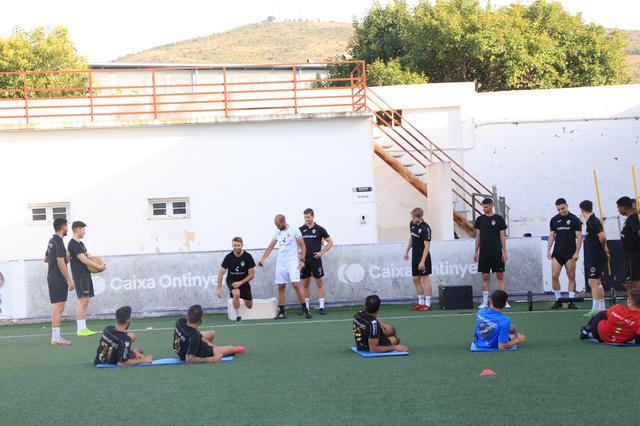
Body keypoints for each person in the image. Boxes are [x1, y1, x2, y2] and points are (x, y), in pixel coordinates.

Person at [257, 214, 310, 319]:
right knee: (281, 286)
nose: (277, 227)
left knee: (296, 284)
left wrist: (302, 260)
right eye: (276, 225)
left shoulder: (294, 230)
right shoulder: (277, 232)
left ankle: (305, 309)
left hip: (292, 261)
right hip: (281, 262)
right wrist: (262, 259)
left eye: (279, 225)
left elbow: (303, 245)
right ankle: (282, 311)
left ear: (283, 222)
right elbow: (270, 246)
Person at [68, 221, 106, 336]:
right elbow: (83, 260)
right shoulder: (73, 244)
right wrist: (98, 266)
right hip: (79, 275)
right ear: (77, 229)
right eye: (83, 229)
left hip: (86, 274)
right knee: (82, 300)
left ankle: (84, 327)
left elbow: (89, 257)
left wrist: (101, 264)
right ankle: (80, 329)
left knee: (86, 300)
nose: (85, 231)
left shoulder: (81, 244)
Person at [173, 304, 243, 363]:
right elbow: (189, 359)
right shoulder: (193, 337)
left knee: (211, 333)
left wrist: (211, 345)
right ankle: (208, 352)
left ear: (187, 316)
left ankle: (210, 349)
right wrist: (211, 359)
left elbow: (197, 336)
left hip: (181, 348)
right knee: (231, 349)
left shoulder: (180, 321)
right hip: (188, 354)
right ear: (201, 319)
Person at [473, 198, 509, 309]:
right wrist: (476, 252)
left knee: (500, 275)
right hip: (484, 253)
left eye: (486, 207)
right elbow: (478, 236)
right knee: (485, 276)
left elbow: (502, 236)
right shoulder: (479, 220)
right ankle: (484, 302)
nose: (484, 209)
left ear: (491, 205)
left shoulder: (499, 219)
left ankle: (504, 302)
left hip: (497, 252)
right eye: (483, 207)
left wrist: (504, 251)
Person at [547, 198, 583, 309]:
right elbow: (552, 235)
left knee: (571, 277)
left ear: (567, 206)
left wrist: (577, 252)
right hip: (557, 253)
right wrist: (548, 250)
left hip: (570, 253)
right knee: (554, 276)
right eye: (559, 209)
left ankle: (571, 301)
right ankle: (558, 300)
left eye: (563, 208)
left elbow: (579, 237)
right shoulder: (554, 220)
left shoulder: (575, 219)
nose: (561, 211)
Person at [44, 218, 74, 346]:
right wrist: (69, 280)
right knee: (59, 307)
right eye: (67, 225)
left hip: (52, 277)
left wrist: (66, 257)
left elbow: (45, 259)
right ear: (63, 227)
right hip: (58, 278)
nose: (68, 228)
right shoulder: (59, 243)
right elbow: (60, 262)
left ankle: (56, 337)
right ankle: (55, 338)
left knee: (58, 307)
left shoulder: (52, 241)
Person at [299, 208, 333, 315]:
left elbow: (330, 242)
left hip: (315, 260)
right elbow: (296, 244)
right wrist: (299, 255)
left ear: (313, 216)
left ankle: (322, 307)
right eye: (305, 217)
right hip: (304, 260)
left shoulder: (320, 229)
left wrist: (321, 252)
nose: (306, 219)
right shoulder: (300, 229)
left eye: (308, 217)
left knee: (319, 282)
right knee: (305, 283)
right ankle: (306, 308)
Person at [579, 200, 610, 317]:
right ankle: (601, 309)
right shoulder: (593, 220)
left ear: (582, 210)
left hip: (596, 255)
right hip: (596, 255)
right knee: (597, 282)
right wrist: (605, 249)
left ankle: (595, 310)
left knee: (592, 282)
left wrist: (604, 248)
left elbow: (602, 236)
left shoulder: (592, 221)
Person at [216, 237, 255, 322]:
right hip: (232, 280)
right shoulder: (228, 257)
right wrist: (218, 288)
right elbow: (221, 272)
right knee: (236, 293)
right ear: (232, 246)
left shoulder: (248, 257)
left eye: (238, 245)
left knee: (249, 306)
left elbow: (251, 275)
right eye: (234, 245)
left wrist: (240, 283)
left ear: (242, 245)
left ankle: (243, 298)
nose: (236, 247)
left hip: (243, 281)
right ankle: (238, 315)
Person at [403, 207, 433, 311]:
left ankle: (428, 304)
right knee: (415, 279)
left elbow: (427, 246)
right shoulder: (412, 223)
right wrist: (407, 250)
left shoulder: (426, 228)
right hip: (415, 256)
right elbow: (411, 237)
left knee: (425, 279)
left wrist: (422, 261)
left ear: (419, 217)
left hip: (423, 257)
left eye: (414, 217)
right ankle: (420, 302)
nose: (412, 219)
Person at [617, 196, 640, 290]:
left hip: (633, 257)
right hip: (629, 257)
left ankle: (635, 303)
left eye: (619, 207)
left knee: (632, 283)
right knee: (627, 282)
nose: (618, 210)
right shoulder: (629, 219)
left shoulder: (633, 219)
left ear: (624, 207)